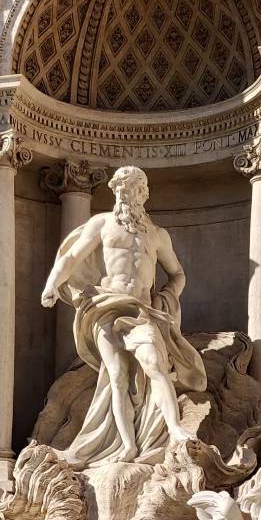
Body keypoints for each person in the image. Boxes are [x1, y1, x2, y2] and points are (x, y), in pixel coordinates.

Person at [40, 166, 206, 465]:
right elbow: (71, 257)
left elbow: (178, 274)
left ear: (144, 193)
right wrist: (53, 284)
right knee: (115, 377)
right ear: (115, 191)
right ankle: (127, 445)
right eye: (121, 188)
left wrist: (167, 297)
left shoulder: (157, 235)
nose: (127, 194)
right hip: (105, 305)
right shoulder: (101, 223)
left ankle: (175, 430)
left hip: (142, 311)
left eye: (134, 188)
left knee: (155, 365)